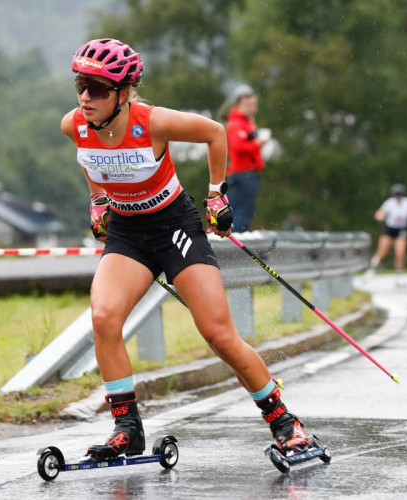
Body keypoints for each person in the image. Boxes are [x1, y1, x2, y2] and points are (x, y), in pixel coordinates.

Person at [61, 38, 312, 461]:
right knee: (104, 317)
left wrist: (217, 195)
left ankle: (286, 424)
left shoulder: (154, 122)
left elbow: (215, 134)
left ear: (123, 93)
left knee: (217, 333)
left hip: (173, 226)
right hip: (127, 232)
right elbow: (91, 161)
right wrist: (99, 200)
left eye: (98, 88)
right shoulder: (74, 125)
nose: (86, 96)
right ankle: (127, 429)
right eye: (81, 85)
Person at [225, 84, 269, 232]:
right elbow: (238, 147)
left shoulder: (246, 122)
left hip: (245, 171)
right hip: (244, 172)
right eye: (248, 105)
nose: (252, 108)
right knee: (242, 209)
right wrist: (257, 143)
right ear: (238, 105)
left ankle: (236, 236)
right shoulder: (237, 124)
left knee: (240, 207)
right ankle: (238, 238)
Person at [366, 184, 407, 282]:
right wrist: (381, 216)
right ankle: (370, 272)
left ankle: (399, 277)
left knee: (400, 253)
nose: (398, 197)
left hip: (401, 230)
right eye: (396, 195)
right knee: (382, 252)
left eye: (400, 195)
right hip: (389, 230)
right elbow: (378, 214)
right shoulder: (389, 203)